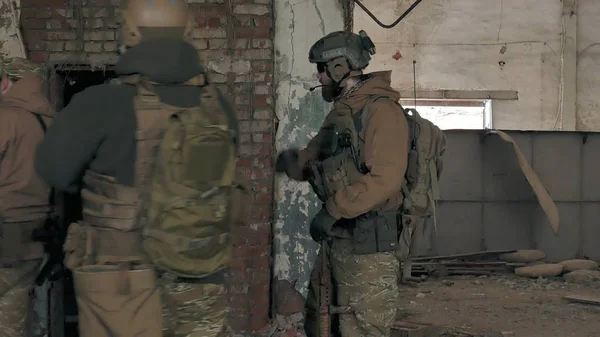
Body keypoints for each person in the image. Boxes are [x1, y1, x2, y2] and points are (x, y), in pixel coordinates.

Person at [34, 0, 241, 336]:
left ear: (128, 32)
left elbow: (54, 171)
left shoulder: (99, 104)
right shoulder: (219, 108)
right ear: (189, 33)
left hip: (121, 281)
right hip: (200, 279)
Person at [276, 30, 410, 337]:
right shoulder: (343, 113)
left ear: (339, 68)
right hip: (339, 237)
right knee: (321, 323)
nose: (319, 76)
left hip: (369, 246)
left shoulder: (382, 111)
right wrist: (290, 163)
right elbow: (313, 158)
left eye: (321, 69)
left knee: (360, 329)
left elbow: (384, 179)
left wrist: (333, 209)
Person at [0, 57, 54, 337]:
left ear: (7, 82)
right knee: (12, 317)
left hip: (4, 229)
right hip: (34, 235)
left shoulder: (6, 117)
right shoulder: (47, 121)